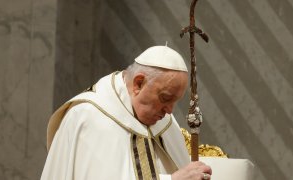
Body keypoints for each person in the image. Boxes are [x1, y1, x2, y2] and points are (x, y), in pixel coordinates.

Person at [41, 46, 212, 180]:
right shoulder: (89, 117)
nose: (170, 111)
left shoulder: (165, 124)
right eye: (165, 98)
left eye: (175, 101)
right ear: (138, 84)